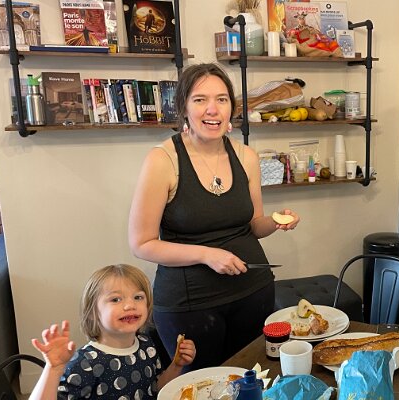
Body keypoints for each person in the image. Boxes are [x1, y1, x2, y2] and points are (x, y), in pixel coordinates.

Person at [128, 63, 300, 371]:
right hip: (190, 305)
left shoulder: (246, 156)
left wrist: (276, 221)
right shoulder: (163, 160)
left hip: (253, 292)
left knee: (251, 379)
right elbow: (142, 244)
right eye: (200, 100)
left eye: (221, 99)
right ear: (183, 108)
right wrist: (207, 255)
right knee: (201, 385)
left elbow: (254, 225)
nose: (213, 109)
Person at [29, 264, 196, 399]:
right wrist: (54, 369)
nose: (130, 305)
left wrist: (176, 365)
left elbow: (156, 388)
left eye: (138, 297)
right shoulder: (84, 363)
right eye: (115, 299)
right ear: (93, 313)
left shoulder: (146, 345)